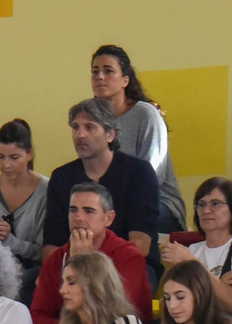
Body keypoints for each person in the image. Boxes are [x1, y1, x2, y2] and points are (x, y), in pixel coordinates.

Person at [31, 184, 153, 324]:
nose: (79, 217)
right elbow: (36, 318)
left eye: (89, 211)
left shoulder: (128, 256)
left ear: (108, 218)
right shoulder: (55, 258)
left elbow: (113, 315)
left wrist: (82, 262)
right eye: (73, 210)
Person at [43, 98, 160, 265]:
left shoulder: (139, 172)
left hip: (128, 264)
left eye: (89, 127)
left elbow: (140, 245)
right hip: (73, 265)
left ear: (110, 134)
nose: (80, 135)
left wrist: (90, 263)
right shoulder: (61, 177)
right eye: (75, 127)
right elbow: (51, 245)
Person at [90, 45, 186, 232]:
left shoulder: (146, 114)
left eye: (108, 71)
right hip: (110, 205)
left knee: (116, 221)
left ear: (125, 80)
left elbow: (151, 175)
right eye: (95, 72)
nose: (100, 77)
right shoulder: (91, 119)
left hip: (158, 203)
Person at [158, 177, 232, 316]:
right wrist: (218, 285)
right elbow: (168, 304)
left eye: (215, 204)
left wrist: (193, 264)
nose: (206, 210)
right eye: (201, 204)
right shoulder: (191, 250)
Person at [0, 119, 48, 303]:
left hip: (30, 274)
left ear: (29, 154)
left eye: (14, 158)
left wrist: (11, 242)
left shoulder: (46, 191)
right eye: (0, 157)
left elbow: (44, 252)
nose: (6, 165)